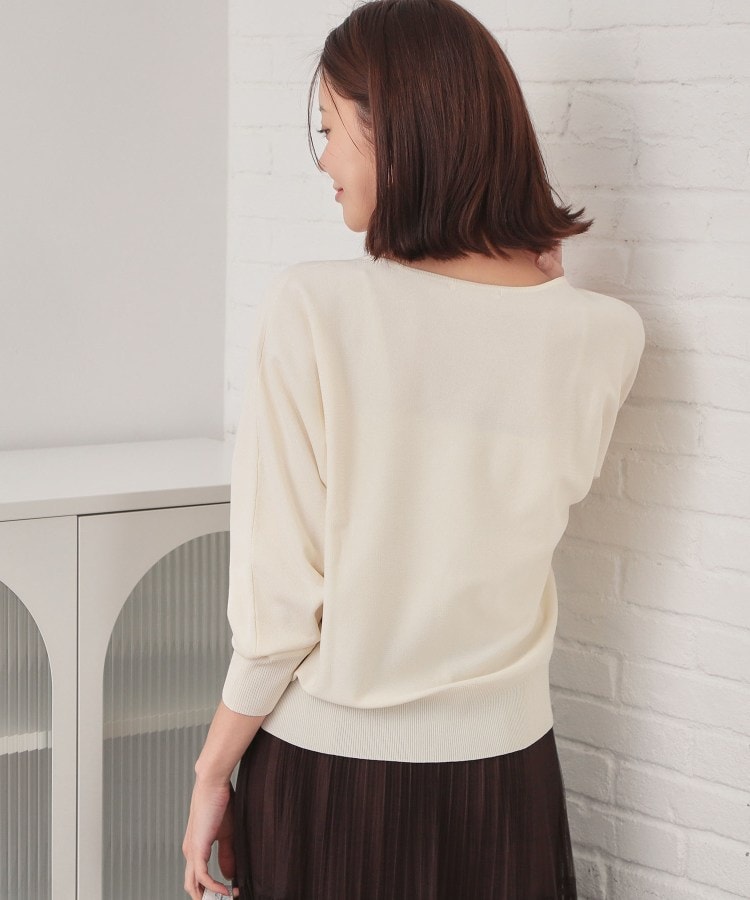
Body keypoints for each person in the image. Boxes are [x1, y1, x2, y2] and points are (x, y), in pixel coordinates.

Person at [182, 1, 646, 897]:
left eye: (331, 128)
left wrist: (211, 773)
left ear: (398, 129)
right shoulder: (604, 336)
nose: (323, 159)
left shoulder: (315, 309)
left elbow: (279, 616)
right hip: (509, 780)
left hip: (330, 778)